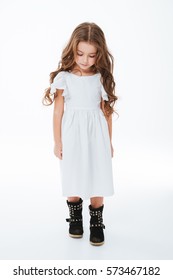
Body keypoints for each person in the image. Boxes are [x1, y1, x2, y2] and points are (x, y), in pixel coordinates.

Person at [42, 22, 118, 246]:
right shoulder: (65, 77)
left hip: (97, 134)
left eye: (91, 55)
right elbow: (58, 112)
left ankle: (96, 221)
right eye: (80, 54)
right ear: (72, 50)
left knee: (98, 173)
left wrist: (109, 142)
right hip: (72, 133)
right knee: (73, 172)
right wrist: (57, 141)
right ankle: (75, 218)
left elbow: (107, 113)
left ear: (99, 55)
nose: (85, 60)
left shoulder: (100, 78)